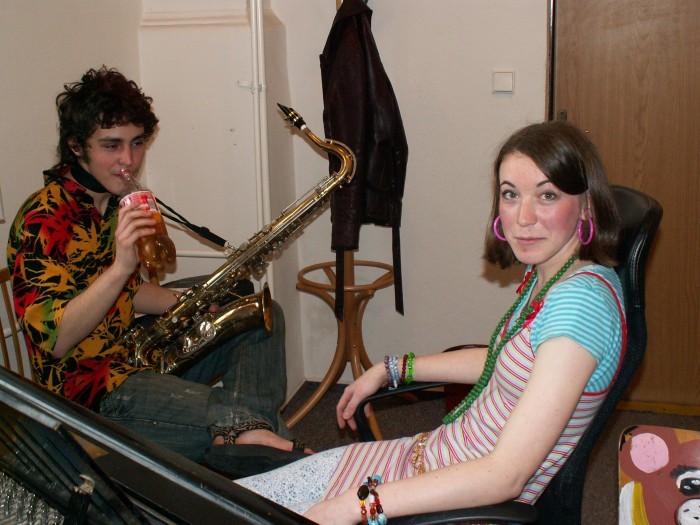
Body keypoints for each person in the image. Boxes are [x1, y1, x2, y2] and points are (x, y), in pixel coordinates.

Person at [236, 120, 625, 523]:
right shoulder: (555, 275)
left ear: (586, 204)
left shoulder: (581, 305)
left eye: (547, 195)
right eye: (511, 194)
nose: (523, 217)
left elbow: (506, 477)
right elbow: (503, 359)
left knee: (249, 512)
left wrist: (355, 506)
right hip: (429, 461)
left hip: (458, 502)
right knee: (242, 503)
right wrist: (391, 369)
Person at [6, 66, 310, 474]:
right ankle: (251, 435)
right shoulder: (42, 219)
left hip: (133, 354)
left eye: (137, 143)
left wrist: (190, 303)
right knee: (252, 426)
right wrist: (121, 266)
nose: (129, 161)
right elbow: (56, 342)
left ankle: (241, 431)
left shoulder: (111, 200)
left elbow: (129, 295)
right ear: (76, 146)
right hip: (89, 393)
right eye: (111, 146)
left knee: (256, 317)